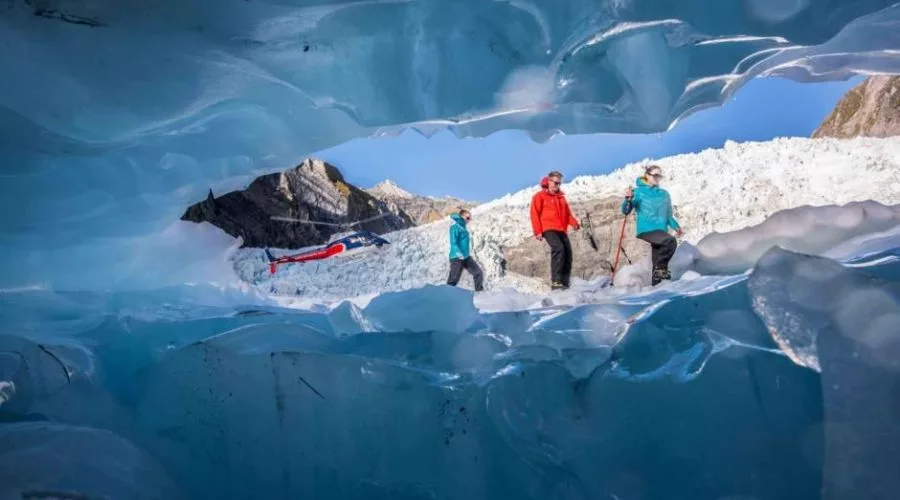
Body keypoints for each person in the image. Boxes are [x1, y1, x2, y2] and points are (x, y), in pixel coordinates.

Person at [621, 164, 683, 286]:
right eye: (655, 175)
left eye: (659, 176)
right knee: (670, 242)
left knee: (657, 259)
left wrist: (676, 226)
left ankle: (657, 287)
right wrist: (628, 198)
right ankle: (660, 271)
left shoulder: (664, 194)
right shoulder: (638, 192)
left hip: (661, 230)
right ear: (647, 175)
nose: (657, 178)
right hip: (646, 229)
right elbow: (626, 210)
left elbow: (668, 215)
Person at [530, 171, 581, 290]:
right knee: (558, 248)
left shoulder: (561, 198)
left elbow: (567, 214)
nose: (557, 186)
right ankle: (556, 282)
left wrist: (574, 223)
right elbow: (534, 214)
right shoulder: (539, 197)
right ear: (548, 181)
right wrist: (537, 231)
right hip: (548, 228)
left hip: (561, 229)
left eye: (559, 183)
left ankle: (565, 282)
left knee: (568, 253)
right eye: (556, 183)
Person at [447, 209, 484, 291]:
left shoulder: (464, 228)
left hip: (466, 257)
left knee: (478, 273)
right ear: (462, 217)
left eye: (470, 218)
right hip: (456, 257)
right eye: (468, 218)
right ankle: (446, 296)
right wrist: (459, 253)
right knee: (453, 279)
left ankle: (480, 293)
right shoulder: (454, 227)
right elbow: (453, 243)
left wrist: (465, 255)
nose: (469, 220)